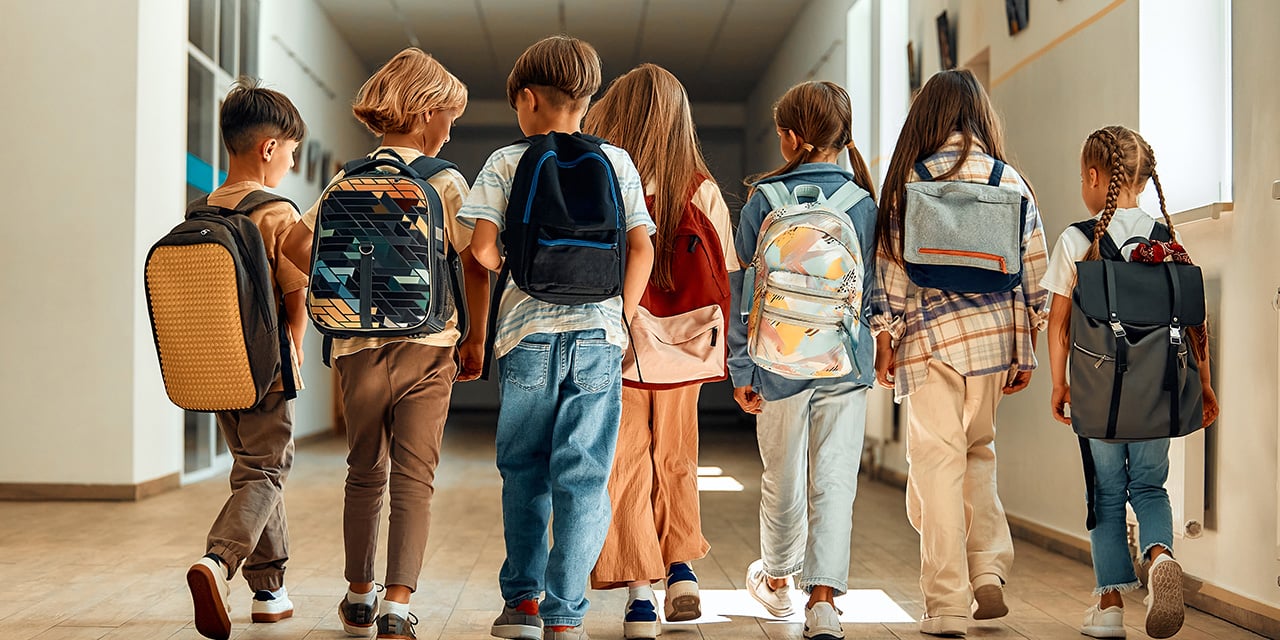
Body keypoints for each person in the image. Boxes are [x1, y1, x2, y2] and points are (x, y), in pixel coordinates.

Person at [285, 47, 489, 640]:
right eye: (449, 115)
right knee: (415, 476)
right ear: (426, 113)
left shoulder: (347, 178)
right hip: (428, 345)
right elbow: (475, 259)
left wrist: (347, 281)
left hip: (354, 350)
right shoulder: (444, 181)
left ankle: (357, 594)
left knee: (363, 470)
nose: (452, 129)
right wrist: (474, 336)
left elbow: (298, 249)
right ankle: (398, 605)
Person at [457, 36, 655, 640]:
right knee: (586, 474)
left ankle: (522, 604)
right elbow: (642, 245)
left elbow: (482, 248)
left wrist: (506, 289)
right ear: (587, 100)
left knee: (524, 469)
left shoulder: (505, 161)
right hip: (599, 335)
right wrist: (619, 313)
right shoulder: (617, 161)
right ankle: (566, 615)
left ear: (526, 98)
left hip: (526, 337)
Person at [866, 68, 1049, 637]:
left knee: (936, 465)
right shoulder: (1008, 180)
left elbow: (891, 273)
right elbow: (1034, 271)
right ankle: (988, 569)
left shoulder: (908, 183)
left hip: (930, 340)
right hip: (995, 340)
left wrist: (883, 339)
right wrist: (1029, 347)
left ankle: (946, 603)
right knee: (979, 453)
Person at [1042, 125, 1218, 639]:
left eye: (1082, 177)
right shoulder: (1168, 240)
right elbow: (1194, 325)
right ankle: (1161, 556)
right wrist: (1204, 386)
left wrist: (1060, 384)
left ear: (1095, 178)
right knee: (1149, 485)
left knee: (1106, 490)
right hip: (1159, 391)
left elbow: (1057, 325)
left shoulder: (1077, 239)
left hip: (1100, 395)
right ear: (1144, 179)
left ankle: (1111, 607)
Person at [583, 63, 736, 639]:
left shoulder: (606, 177)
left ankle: (640, 598)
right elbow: (727, 270)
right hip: (684, 347)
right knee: (677, 455)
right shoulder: (701, 187)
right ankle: (683, 571)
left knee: (623, 463)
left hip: (619, 340)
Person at [729, 80, 879, 640]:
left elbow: (741, 292)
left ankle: (778, 579)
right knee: (836, 481)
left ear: (790, 139)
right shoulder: (863, 204)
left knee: (782, 477)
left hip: (776, 363)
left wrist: (742, 370)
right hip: (846, 361)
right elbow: (875, 293)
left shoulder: (764, 201)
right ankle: (824, 603)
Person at [185, 78, 308, 640]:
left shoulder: (200, 208)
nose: (290, 161)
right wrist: (297, 348)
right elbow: (294, 292)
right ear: (268, 148)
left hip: (213, 364)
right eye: (291, 151)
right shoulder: (276, 211)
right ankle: (219, 561)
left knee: (255, 468)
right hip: (265, 366)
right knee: (267, 468)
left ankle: (269, 592)